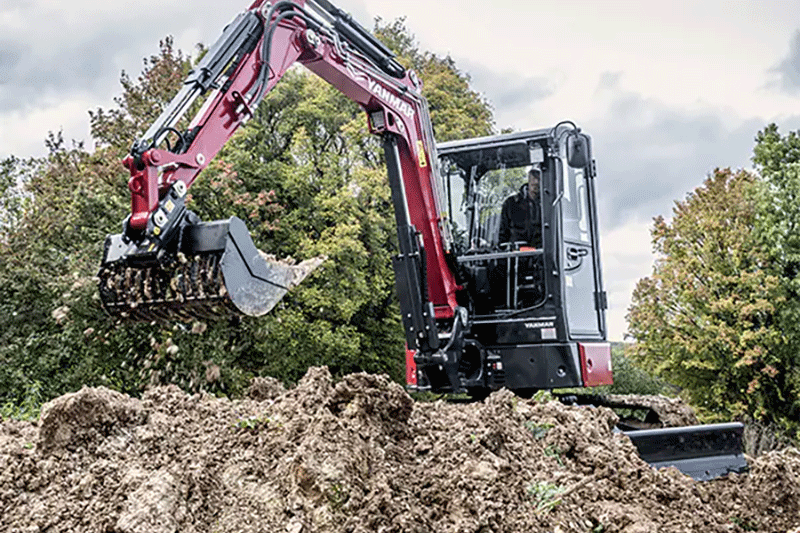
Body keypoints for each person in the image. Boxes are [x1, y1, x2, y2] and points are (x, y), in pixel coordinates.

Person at [498, 167, 542, 248]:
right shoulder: (511, 203)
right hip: (517, 254)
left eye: (538, 184)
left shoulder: (551, 204)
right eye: (534, 184)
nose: (536, 182)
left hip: (542, 253)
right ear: (529, 181)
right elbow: (503, 233)